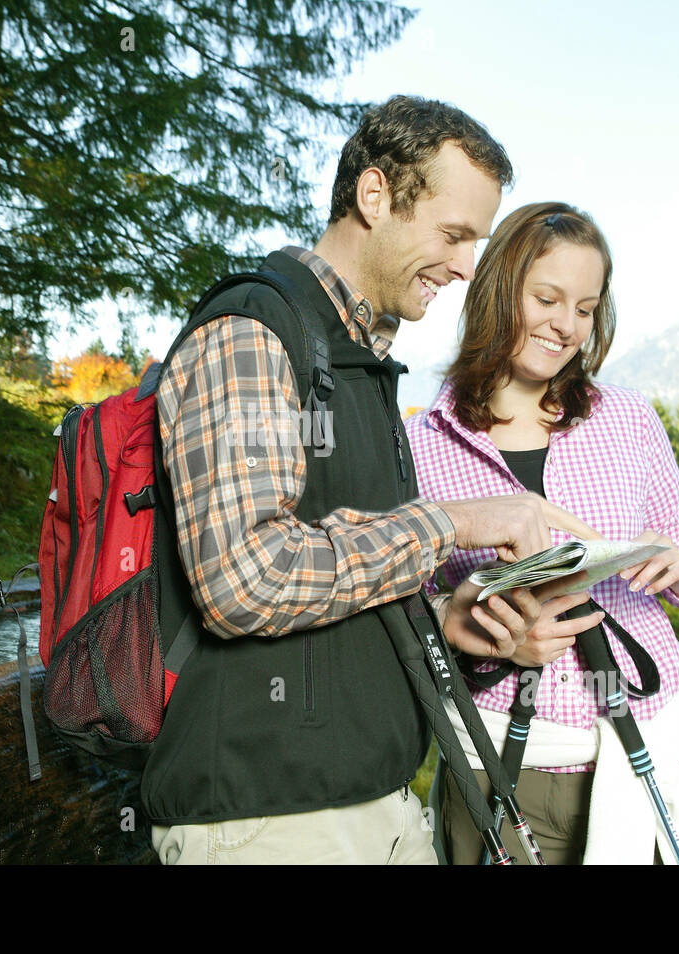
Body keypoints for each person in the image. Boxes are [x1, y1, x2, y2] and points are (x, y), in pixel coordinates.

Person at [144, 97, 596, 864]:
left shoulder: (358, 362)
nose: (466, 266)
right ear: (375, 195)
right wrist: (456, 523)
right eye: (454, 235)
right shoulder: (253, 332)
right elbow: (242, 578)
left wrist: (449, 620)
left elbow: (344, 572)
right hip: (269, 823)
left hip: (368, 809)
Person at [405, 200, 679, 864]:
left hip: (657, 745)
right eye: (548, 298)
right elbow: (412, 618)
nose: (566, 325)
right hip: (510, 765)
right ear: (501, 289)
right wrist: (501, 644)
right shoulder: (421, 444)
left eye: (586, 308)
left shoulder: (629, 419)